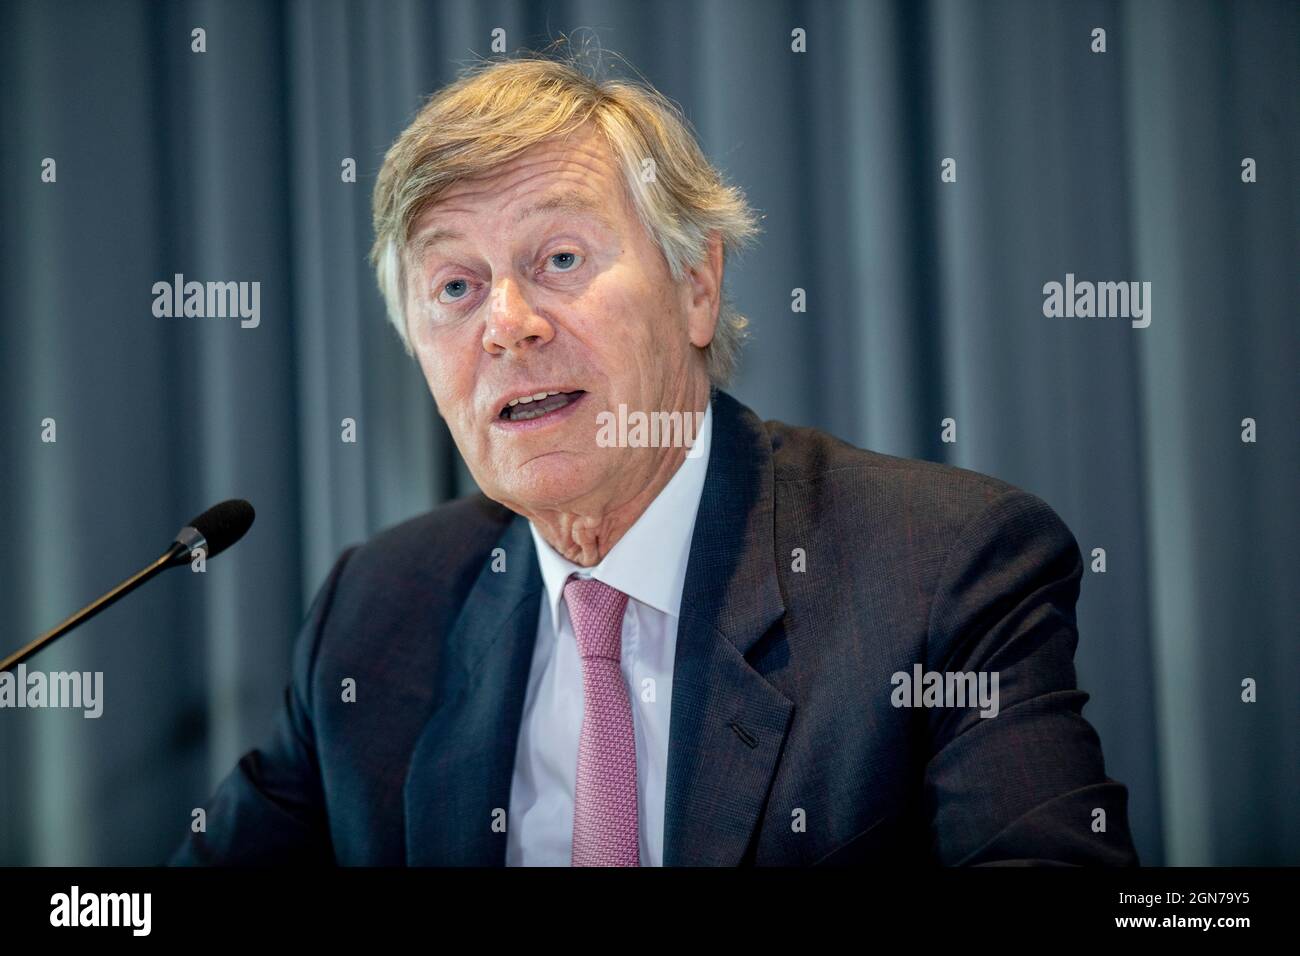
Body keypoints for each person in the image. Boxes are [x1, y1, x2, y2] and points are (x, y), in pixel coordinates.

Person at [170, 51, 1138, 867]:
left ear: (695, 286)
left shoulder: (937, 570)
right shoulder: (377, 613)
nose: (507, 325)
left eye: (559, 260)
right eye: (456, 285)